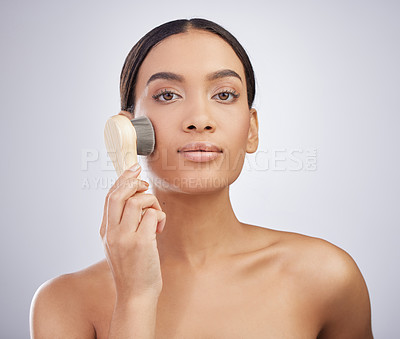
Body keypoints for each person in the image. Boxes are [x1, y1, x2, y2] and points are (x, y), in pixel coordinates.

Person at [30, 18, 373, 338]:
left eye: (224, 94)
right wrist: (135, 298)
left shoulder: (327, 276)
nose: (200, 119)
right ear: (128, 132)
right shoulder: (63, 303)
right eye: (167, 95)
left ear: (251, 130)